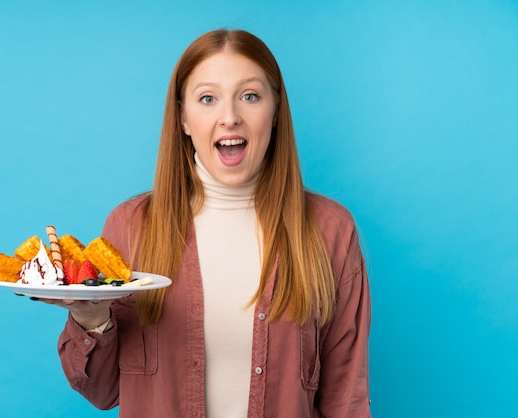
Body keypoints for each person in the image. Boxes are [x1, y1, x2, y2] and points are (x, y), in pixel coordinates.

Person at [42, 28, 372, 417]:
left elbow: (345, 400)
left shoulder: (329, 230)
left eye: (250, 96)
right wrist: (90, 316)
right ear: (183, 117)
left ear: (276, 110)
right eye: (208, 98)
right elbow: (101, 392)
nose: (229, 117)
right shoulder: (131, 227)